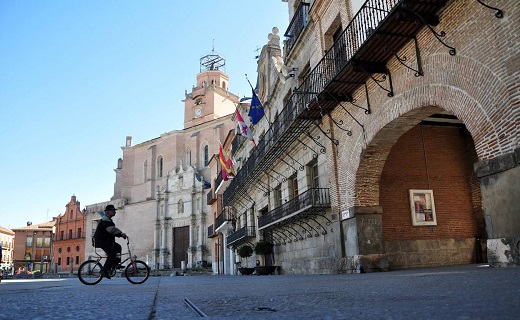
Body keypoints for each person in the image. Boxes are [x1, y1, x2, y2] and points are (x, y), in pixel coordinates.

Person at [94, 204, 127, 279]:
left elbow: (111, 231)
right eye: (113, 211)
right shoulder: (105, 220)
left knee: (118, 247)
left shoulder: (108, 219)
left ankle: (116, 264)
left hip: (107, 241)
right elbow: (110, 229)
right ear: (108, 212)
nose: (115, 212)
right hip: (102, 241)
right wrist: (121, 234)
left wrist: (119, 235)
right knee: (112, 253)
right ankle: (104, 270)